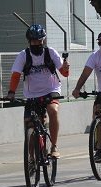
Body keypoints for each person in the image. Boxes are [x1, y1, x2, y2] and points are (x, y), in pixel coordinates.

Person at [7, 24, 70, 158]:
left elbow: (64, 73)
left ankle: (53, 146)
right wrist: (11, 92)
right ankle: (31, 158)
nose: (37, 43)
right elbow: (16, 75)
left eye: (40, 41)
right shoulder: (23, 55)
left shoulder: (50, 52)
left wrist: (66, 67)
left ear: (43, 40)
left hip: (51, 89)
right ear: (29, 41)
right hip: (31, 94)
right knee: (29, 124)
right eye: (34, 41)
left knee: (53, 110)